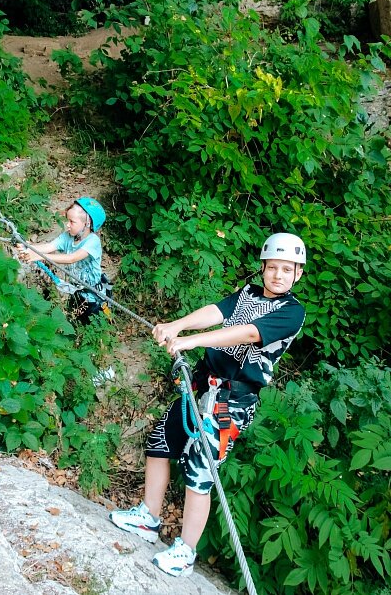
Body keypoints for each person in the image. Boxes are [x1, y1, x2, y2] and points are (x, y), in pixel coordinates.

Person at [109, 232, 307, 577]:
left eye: (286, 269)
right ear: (262, 268)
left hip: (232, 402)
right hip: (201, 387)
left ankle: (186, 551)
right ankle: (148, 516)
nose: (278, 275)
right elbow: (217, 311)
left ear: (298, 274)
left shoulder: (291, 312)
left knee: (200, 471)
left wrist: (189, 341)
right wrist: (176, 325)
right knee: (160, 442)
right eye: (272, 267)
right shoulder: (248, 293)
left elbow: (247, 333)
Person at [18, 197, 109, 325]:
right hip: (76, 291)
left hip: (94, 296)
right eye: (68, 220)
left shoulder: (92, 241)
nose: (67, 224)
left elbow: (71, 258)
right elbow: (50, 246)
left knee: (92, 325)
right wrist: (29, 248)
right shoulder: (68, 236)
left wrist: (38, 256)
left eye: (72, 222)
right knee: (74, 322)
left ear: (87, 224)